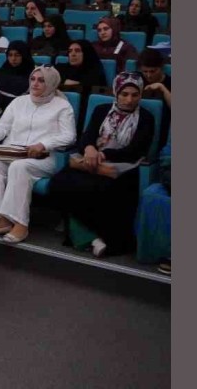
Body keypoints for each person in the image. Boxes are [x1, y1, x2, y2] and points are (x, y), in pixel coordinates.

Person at [49, 72, 155, 257]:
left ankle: (94, 237)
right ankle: (89, 236)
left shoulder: (146, 117)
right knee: (59, 182)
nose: (129, 100)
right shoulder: (101, 109)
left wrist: (103, 153)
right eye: (124, 94)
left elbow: (136, 150)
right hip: (91, 161)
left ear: (140, 95)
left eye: (134, 95)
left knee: (102, 190)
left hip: (121, 167)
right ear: (116, 92)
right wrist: (90, 148)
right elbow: (87, 135)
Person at [0, 66, 77, 244]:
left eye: (41, 80)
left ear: (52, 83)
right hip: (13, 153)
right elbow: (3, 126)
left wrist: (43, 144)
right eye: (33, 79)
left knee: (20, 167)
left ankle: (20, 223)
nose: (35, 83)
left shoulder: (62, 106)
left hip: (43, 158)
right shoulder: (19, 102)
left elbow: (69, 136)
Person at [138, 48, 172, 150]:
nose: (149, 75)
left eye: (153, 71)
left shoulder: (170, 82)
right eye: (145, 71)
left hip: (162, 126)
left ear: (161, 67)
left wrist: (163, 89)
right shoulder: (136, 79)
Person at [0, 41, 34, 112]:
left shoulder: (34, 74)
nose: (13, 59)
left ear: (24, 55)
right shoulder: (0, 72)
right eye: (10, 55)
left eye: (17, 55)